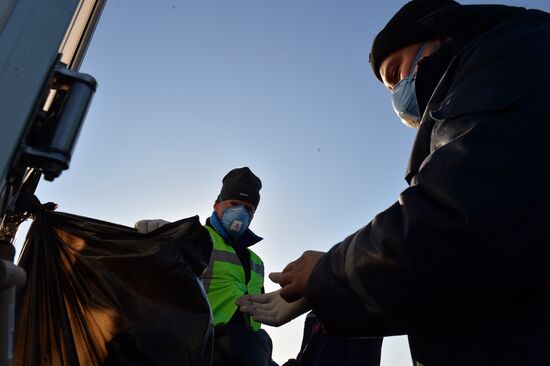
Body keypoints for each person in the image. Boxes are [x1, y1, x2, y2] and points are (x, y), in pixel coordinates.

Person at [237, 1, 550, 365]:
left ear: (438, 38)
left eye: (398, 72)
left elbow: (452, 220)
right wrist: (328, 293)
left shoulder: (511, 55)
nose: (399, 94)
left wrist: (326, 275)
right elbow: (456, 283)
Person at [136, 167, 275, 366]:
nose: (241, 213)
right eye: (234, 203)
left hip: (250, 354)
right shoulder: (199, 238)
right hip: (205, 350)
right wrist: (166, 237)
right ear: (216, 205)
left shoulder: (257, 261)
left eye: (248, 208)